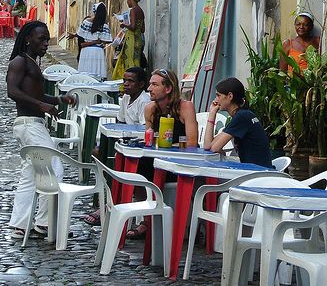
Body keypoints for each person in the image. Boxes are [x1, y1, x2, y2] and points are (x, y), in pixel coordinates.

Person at [6, 21, 76, 239]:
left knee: (30, 174)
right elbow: (12, 92)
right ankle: (44, 223)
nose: (46, 43)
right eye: (41, 39)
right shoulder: (19, 62)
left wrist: (58, 99)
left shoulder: (31, 62)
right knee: (54, 168)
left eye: (47, 39)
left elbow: (35, 95)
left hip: (32, 124)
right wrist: (41, 106)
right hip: (29, 125)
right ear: (28, 39)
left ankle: (20, 225)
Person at [126, 68, 198, 239]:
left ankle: (160, 220)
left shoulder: (185, 107)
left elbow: (193, 142)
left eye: (154, 85)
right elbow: (149, 138)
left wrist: (168, 145)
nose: (149, 89)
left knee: (145, 167)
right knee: (136, 167)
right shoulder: (150, 109)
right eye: (150, 84)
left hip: (180, 164)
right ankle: (147, 218)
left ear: (168, 88)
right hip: (156, 162)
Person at [83, 66, 151, 227]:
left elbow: (144, 129)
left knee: (115, 165)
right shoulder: (126, 99)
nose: (126, 84)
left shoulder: (144, 101)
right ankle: (107, 199)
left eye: (130, 81)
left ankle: (110, 205)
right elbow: (120, 122)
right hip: (125, 143)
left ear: (141, 84)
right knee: (99, 153)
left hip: (138, 147)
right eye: (125, 81)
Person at [204, 77, 272, 168]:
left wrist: (212, 114)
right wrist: (212, 113)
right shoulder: (244, 115)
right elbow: (208, 145)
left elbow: (213, 148)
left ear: (230, 96)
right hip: (257, 169)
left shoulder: (241, 117)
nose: (216, 100)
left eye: (218, 95)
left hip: (257, 174)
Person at [112, 0, 145, 81]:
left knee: (129, 61)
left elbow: (133, 27)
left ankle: (131, 81)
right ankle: (138, 80)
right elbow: (143, 29)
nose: (127, 2)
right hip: (138, 38)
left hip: (131, 38)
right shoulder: (141, 11)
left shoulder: (133, 10)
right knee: (136, 60)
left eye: (127, 0)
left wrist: (124, 24)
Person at [76, 2, 112, 79]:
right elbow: (108, 40)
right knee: (98, 74)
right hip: (98, 52)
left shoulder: (86, 22)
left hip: (86, 51)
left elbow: (80, 36)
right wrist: (98, 42)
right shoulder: (104, 26)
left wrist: (93, 41)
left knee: (85, 75)